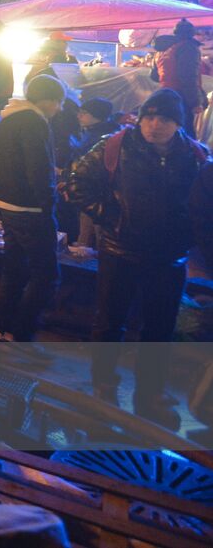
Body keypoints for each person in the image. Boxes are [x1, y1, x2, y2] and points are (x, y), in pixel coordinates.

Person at [67, 89, 213, 419]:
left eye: (164, 119)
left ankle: (149, 394)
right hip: (120, 250)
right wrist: (110, 216)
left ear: (178, 123)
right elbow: (74, 181)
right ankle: (103, 387)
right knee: (109, 322)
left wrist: (190, 235)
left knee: (159, 329)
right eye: (149, 116)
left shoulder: (196, 157)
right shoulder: (115, 145)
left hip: (169, 257)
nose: (154, 125)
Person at [0, 74, 65, 343]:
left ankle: (4, 328)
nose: (58, 110)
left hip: (6, 204)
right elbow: (38, 168)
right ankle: (21, 334)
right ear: (49, 100)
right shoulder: (34, 121)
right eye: (58, 103)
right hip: (30, 209)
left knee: (14, 270)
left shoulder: (8, 118)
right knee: (46, 275)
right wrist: (49, 204)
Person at [156, 19, 207, 134]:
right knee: (185, 134)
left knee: (174, 131)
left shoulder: (167, 48)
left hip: (166, 93)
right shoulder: (188, 47)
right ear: (192, 33)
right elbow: (188, 77)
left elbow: (155, 75)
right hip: (181, 95)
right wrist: (195, 102)